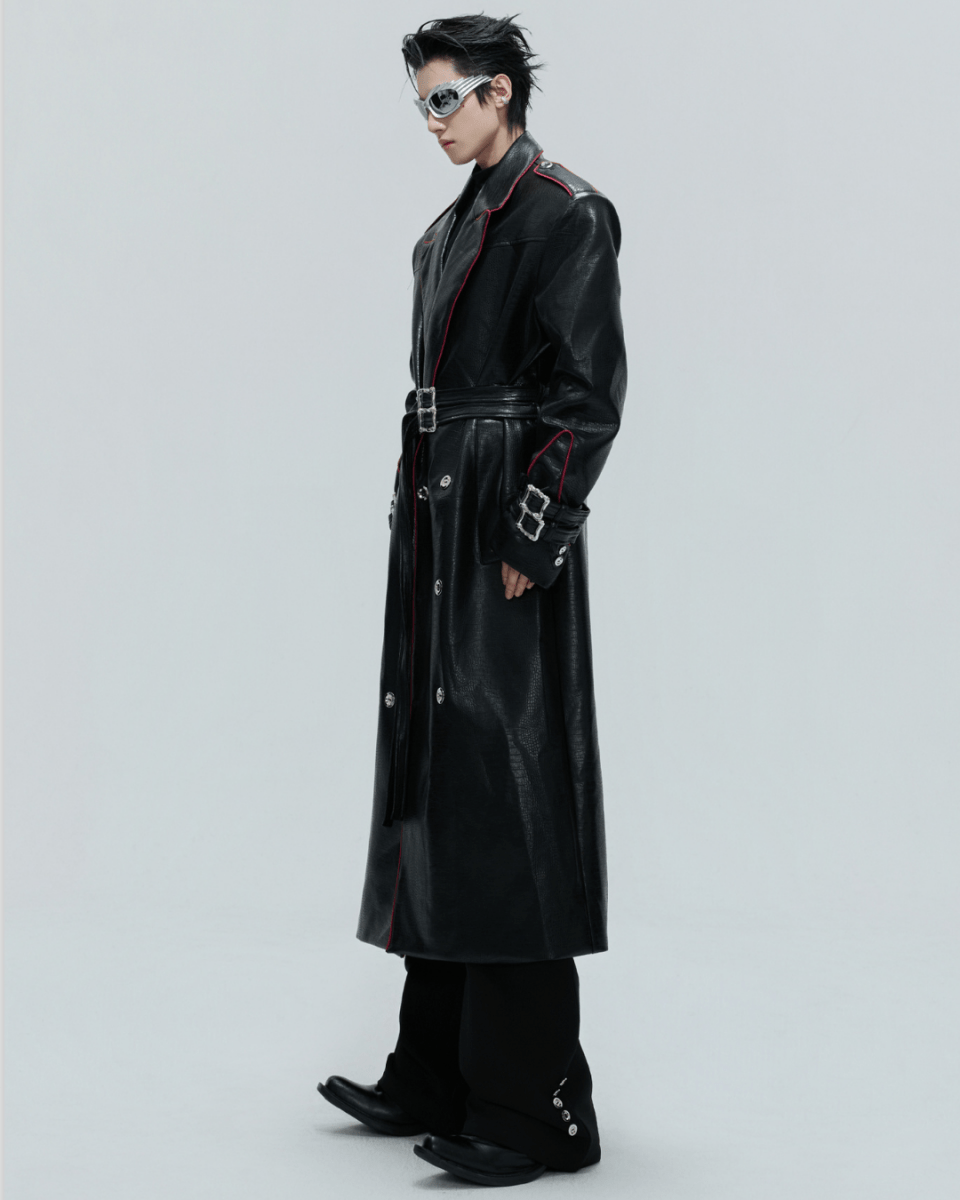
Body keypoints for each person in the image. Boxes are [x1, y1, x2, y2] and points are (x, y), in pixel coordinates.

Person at [318, 14, 627, 1187]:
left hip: (499, 523)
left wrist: (534, 533)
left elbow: (588, 394)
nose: (433, 121)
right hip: (439, 524)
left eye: (447, 98)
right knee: (436, 783)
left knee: (509, 793)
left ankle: (537, 1106)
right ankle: (435, 1070)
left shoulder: (564, 213)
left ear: (502, 92)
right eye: (423, 104)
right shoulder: (446, 231)